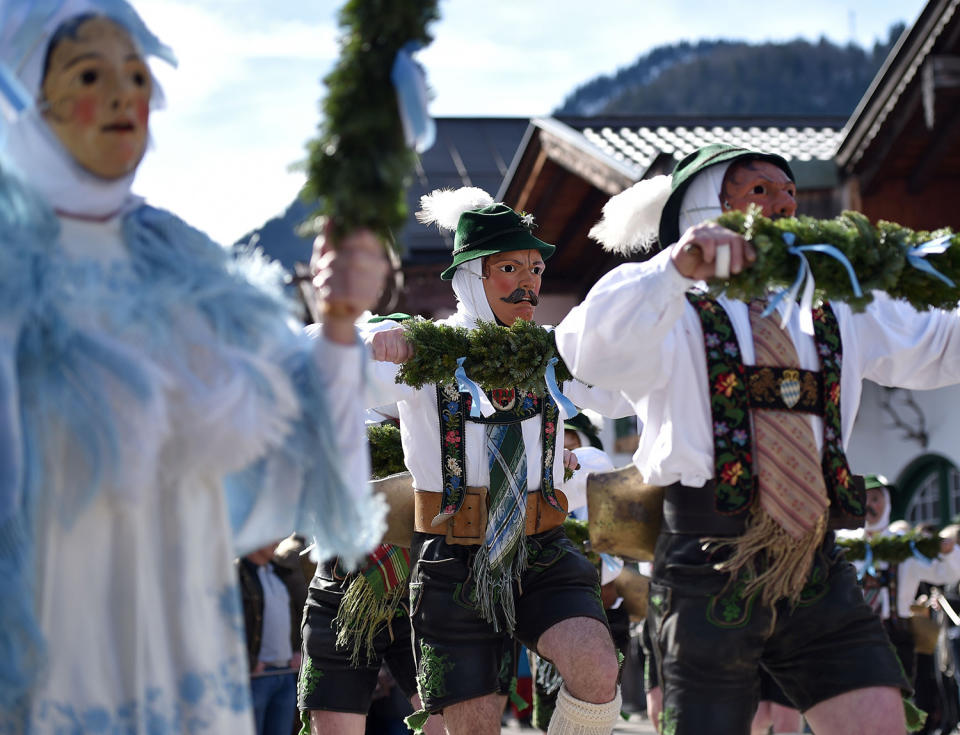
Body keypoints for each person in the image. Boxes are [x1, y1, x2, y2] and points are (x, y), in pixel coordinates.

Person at [0, 2, 387, 731]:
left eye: (137, 73)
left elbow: (290, 427)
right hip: (57, 629)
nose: (122, 95)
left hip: (184, 628)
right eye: (89, 72)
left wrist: (337, 324)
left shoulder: (184, 264)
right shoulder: (11, 259)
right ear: (26, 98)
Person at [552, 142, 960, 734]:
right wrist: (676, 268)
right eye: (760, 191)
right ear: (702, 206)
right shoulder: (666, 302)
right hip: (706, 556)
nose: (783, 205)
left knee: (878, 721)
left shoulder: (833, 302)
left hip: (813, 554)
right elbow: (587, 353)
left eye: (790, 193)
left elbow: (939, 345)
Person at [366, 187, 633, 735]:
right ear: (470, 277)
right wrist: (377, 338)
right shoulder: (427, 348)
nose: (529, 283)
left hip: (542, 545)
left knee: (598, 666)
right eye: (510, 267)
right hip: (453, 553)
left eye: (535, 269)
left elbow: (625, 390)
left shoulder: (553, 351)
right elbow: (327, 360)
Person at [842, 476, 960, 687]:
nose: (869, 505)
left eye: (875, 499)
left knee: (897, 699)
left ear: (887, 503)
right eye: (864, 499)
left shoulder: (905, 547)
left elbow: (947, 574)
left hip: (895, 635)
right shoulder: (847, 545)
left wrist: (950, 551)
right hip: (854, 635)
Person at [238, 541, 305, 735]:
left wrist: (298, 650)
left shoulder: (280, 572)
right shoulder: (237, 574)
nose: (277, 540)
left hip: (284, 675)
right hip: (256, 677)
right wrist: (249, 662)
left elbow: (294, 615)